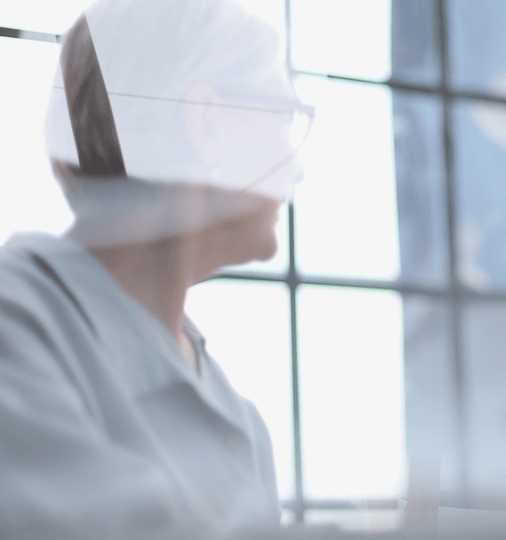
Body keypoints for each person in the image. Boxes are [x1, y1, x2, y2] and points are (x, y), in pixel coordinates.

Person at [0, 0, 311, 537]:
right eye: (282, 117)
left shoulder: (242, 423)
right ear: (206, 122)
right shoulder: (16, 327)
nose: (297, 167)